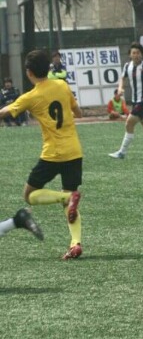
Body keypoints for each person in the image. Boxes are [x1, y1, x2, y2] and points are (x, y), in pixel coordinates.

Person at [0, 50, 86, 259]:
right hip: (74, 151)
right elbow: (78, 112)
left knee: (29, 195)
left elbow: (4, 113)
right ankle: (75, 243)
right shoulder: (62, 85)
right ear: (48, 68)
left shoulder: (31, 97)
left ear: (28, 73)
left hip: (52, 154)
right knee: (69, 200)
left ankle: (67, 197)